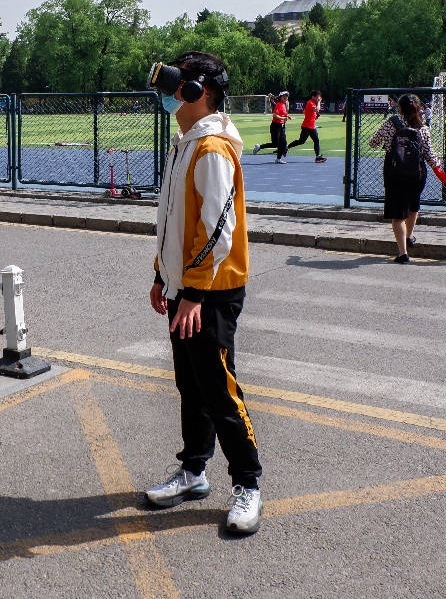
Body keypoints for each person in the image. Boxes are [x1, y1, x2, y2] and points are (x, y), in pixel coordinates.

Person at [144, 50, 262, 535]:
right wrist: (162, 276)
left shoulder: (212, 149)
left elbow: (216, 228)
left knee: (219, 390)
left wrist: (192, 292)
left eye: (177, 86)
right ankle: (194, 471)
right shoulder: (186, 143)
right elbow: (175, 222)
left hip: (210, 291)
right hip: (185, 287)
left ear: (198, 92)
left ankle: (248, 483)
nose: (170, 95)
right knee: (190, 387)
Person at [368, 94, 440, 264]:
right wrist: (438, 168)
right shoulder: (422, 128)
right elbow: (429, 153)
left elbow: (373, 142)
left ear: (399, 107)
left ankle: (403, 253)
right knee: (413, 204)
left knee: (398, 213)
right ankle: (409, 236)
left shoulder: (391, 123)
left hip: (395, 171)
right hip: (417, 172)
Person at [286, 90, 327, 162]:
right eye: (317, 97)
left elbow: (306, 112)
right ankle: (286, 147)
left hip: (311, 126)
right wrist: (319, 102)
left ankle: (318, 156)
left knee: (316, 140)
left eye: (319, 97)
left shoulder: (312, 103)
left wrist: (315, 116)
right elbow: (317, 110)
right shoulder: (310, 103)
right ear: (313, 97)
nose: (318, 98)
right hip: (307, 126)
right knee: (301, 141)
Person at [250, 91, 290, 163]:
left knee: (283, 143)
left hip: (281, 126)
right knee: (275, 144)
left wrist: (287, 116)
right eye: (284, 97)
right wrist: (283, 118)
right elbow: (274, 115)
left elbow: (283, 113)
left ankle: (278, 159)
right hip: (276, 126)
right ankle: (259, 147)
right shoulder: (279, 105)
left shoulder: (284, 104)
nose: (285, 98)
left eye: (286, 97)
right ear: (280, 97)